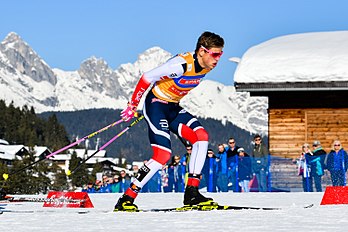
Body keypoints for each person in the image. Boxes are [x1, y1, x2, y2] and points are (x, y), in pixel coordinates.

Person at [114, 31, 224, 211]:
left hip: (172, 107)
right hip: (156, 106)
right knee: (162, 155)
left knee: (201, 136)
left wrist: (184, 138)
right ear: (202, 51)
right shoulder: (181, 65)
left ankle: (192, 193)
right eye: (215, 54)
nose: (218, 59)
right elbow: (147, 77)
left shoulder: (205, 66)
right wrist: (133, 105)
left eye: (221, 54)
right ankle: (126, 198)